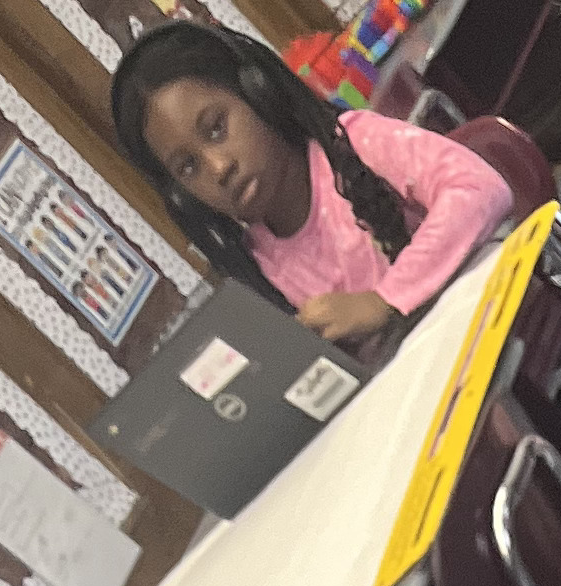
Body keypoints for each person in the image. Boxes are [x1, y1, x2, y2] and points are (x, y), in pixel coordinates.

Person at [109, 25, 512, 353]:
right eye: (188, 167)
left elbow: (480, 186)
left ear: (258, 92)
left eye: (217, 128)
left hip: (497, 335)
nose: (219, 167)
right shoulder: (258, 268)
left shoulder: (356, 146)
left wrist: (384, 300)